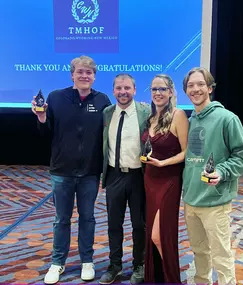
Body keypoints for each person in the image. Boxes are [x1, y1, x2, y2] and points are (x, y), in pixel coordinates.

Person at [31, 55, 111, 284]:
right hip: (61, 171)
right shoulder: (56, 98)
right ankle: (57, 262)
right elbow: (45, 133)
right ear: (72, 75)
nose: (85, 76)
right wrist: (42, 116)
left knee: (88, 218)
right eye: (80, 72)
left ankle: (87, 261)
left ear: (94, 76)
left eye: (89, 73)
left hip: (90, 173)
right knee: (61, 219)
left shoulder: (103, 100)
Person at [182, 67, 243, 285]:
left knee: (221, 254)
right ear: (186, 91)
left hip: (215, 201)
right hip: (191, 199)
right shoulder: (189, 121)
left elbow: (242, 157)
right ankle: (202, 281)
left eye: (200, 84)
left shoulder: (227, 119)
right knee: (199, 251)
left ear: (209, 88)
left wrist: (221, 172)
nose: (196, 89)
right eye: (191, 85)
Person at [100, 74, 151, 284]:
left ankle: (139, 264)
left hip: (138, 175)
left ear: (135, 90)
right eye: (119, 88)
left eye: (127, 88)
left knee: (139, 224)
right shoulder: (107, 113)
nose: (123, 92)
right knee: (114, 224)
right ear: (113, 91)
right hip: (114, 175)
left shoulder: (145, 111)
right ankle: (115, 265)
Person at [141, 74, 189, 283]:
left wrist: (164, 163)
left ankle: (170, 278)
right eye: (154, 89)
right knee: (152, 233)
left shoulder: (178, 116)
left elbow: (187, 152)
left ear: (171, 92)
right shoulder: (150, 118)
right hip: (150, 179)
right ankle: (157, 277)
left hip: (169, 180)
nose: (158, 93)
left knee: (159, 235)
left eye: (162, 89)